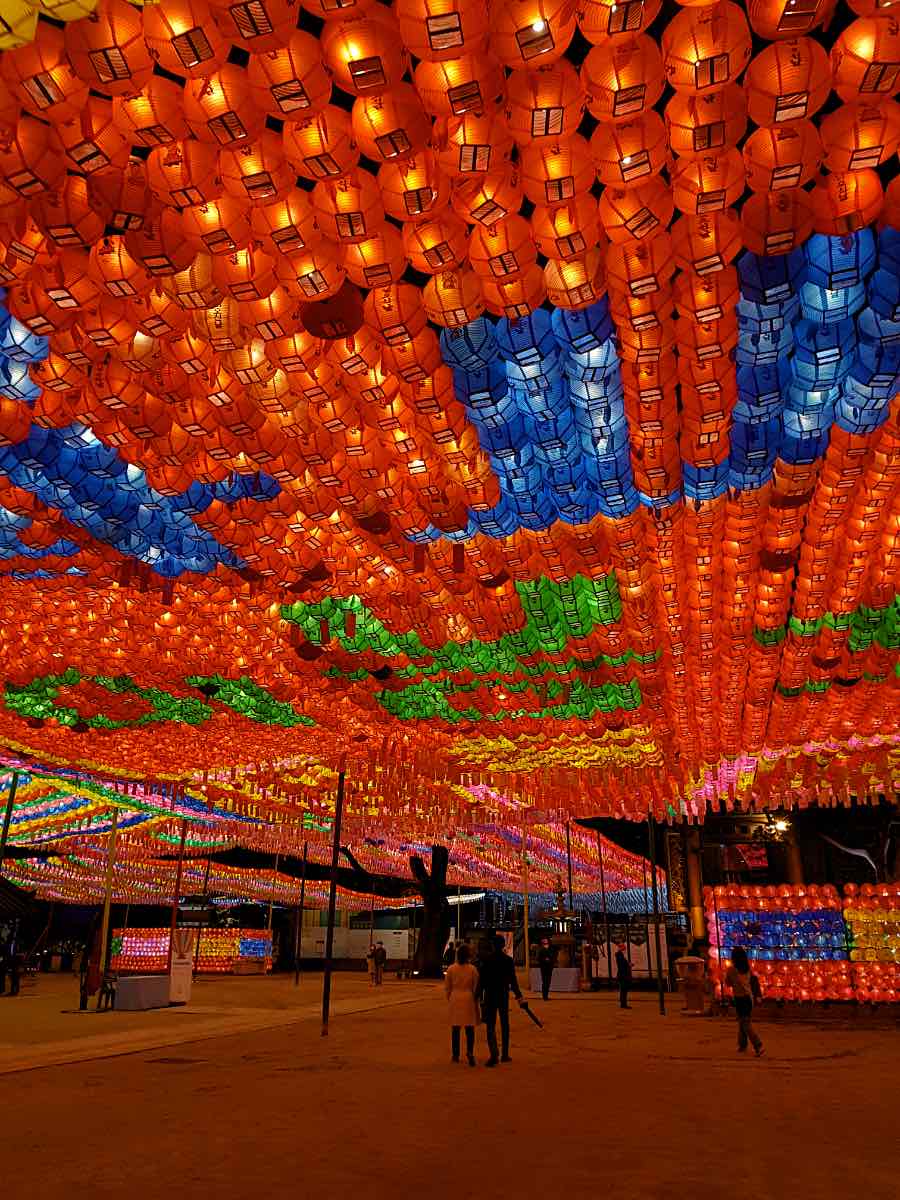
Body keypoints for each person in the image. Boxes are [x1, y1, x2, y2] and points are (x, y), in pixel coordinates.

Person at [477, 933, 523, 1067]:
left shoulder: (487, 960)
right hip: (503, 995)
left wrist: (479, 998)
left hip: (490, 995)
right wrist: (519, 996)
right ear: (503, 946)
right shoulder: (508, 961)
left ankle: (494, 1054)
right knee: (505, 1025)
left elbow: (482, 981)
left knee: (490, 1026)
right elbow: (513, 981)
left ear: (492, 946)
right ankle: (505, 1054)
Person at [725, 947, 764, 1057]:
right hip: (749, 999)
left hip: (740, 1000)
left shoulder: (732, 970)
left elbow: (727, 983)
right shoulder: (747, 969)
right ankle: (742, 1044)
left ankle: (758, 1045)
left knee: (745, 1023)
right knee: (743, 1021)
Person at [444, 943, 478, 1066]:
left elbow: (447, 988)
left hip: (455, 997)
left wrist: (450, 997)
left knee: (455, 1028)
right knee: (470, 1028)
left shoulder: (451, 969)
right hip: (468, 997)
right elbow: (476, 987)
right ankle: (469, 1051)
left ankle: (455, 1054)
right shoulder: (473, 969)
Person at [537, 936, 555, 1001]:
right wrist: (545, 960)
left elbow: (553, 957)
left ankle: (546, 995)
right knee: (545, 982)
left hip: (549, 967)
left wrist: (550, 960)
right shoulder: (540, 949)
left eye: (546, 940)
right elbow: (538, 958)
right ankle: (544, 996)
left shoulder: (551, 949)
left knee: (548, 982)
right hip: (544, 967)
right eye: (544, 940)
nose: (545, 941)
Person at [615, 943, 632, 1009]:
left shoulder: (620, 955)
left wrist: (628, 964)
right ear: (620, 948)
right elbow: (622, 965)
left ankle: (623, 1004)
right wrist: (628, 965)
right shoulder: (619, 955)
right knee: (623, 990)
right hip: (623, 975)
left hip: (622, 975)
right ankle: (623, 1004)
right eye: (623, 947)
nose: (625, 949)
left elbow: (623, 964)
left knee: (623, 990)